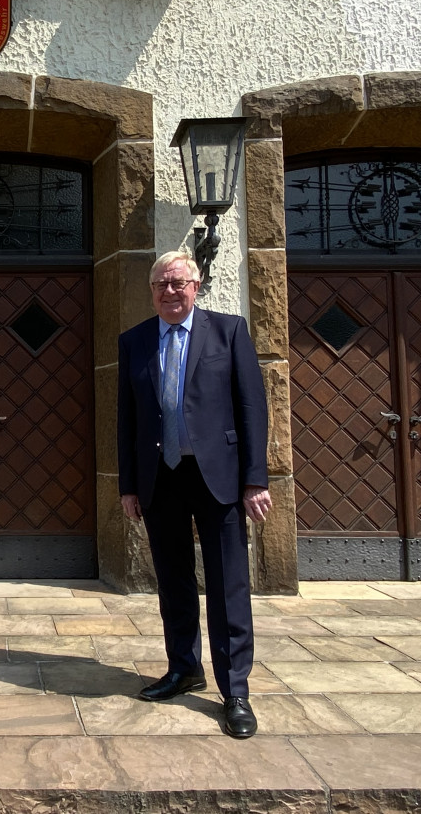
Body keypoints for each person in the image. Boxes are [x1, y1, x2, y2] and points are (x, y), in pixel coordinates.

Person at [117, 250, 271, 739]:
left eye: (178, 283)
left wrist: (255, 478)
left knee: (228, 585)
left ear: (197, 285)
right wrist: (128, 486)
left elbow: (252, 409)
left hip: (218, 478)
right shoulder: (135, 340)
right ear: (152, 290)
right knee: (174, 582)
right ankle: (183, 667)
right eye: (161, 284)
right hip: (160, 478)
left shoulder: (229, 332)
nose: (170, 291)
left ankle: (235, 690)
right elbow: (128, 421)